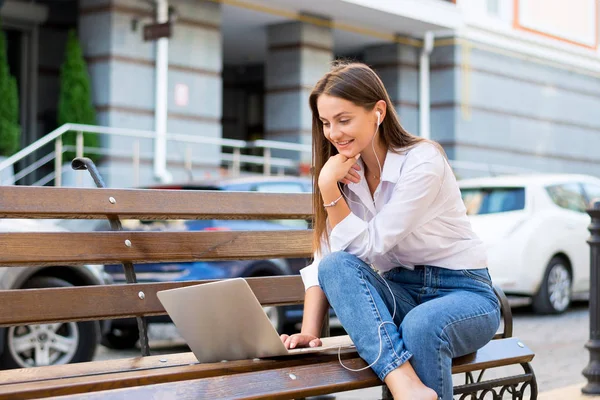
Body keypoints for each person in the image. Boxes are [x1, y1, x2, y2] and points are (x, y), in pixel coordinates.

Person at [279, 62, 501, 400]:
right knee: (335, 266)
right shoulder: (344, 174)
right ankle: (405, 385)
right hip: (401, 292)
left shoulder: (423, 161)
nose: (334, 133)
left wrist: (328, 188)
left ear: (378, 112)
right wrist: (309, 332)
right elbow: (326, 259)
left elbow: (373, 243)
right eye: (326, 123)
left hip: (464, 292)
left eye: (344, 120)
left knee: (422, 327)